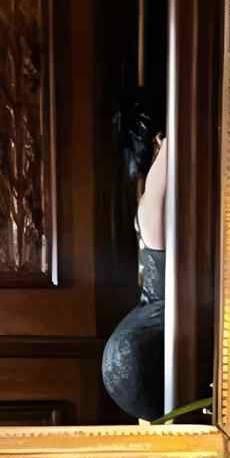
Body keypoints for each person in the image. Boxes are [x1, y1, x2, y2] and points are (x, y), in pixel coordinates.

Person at [101, 111, 168, 420]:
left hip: (145, 352)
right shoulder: (153, 204)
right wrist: (167, 144)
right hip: (146, 349)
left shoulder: (154, 204)